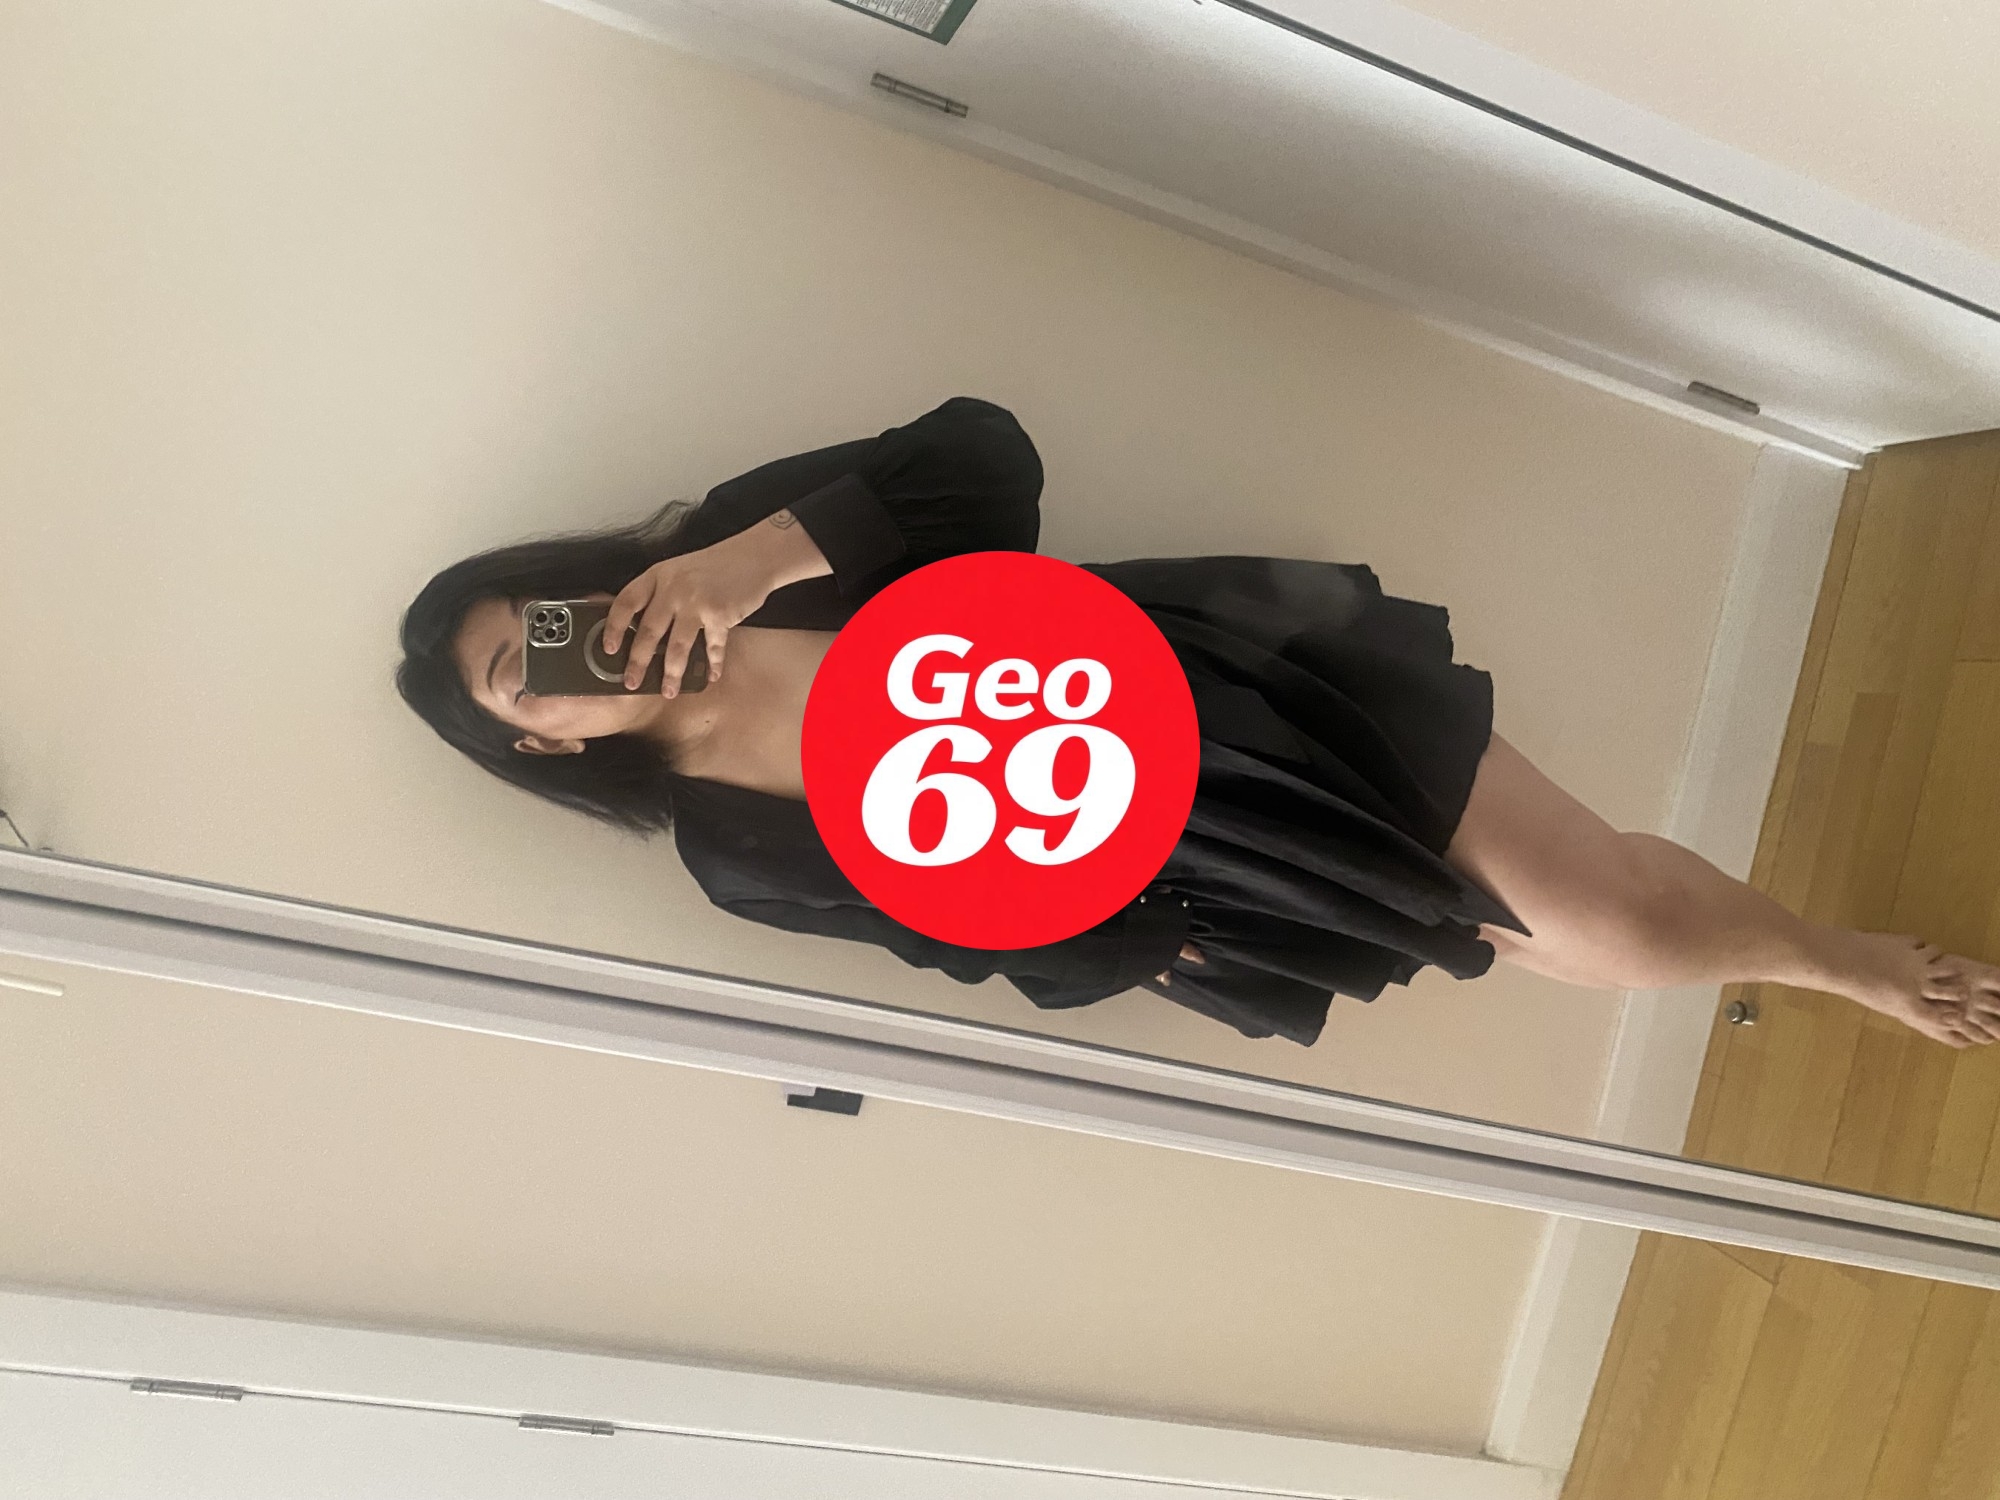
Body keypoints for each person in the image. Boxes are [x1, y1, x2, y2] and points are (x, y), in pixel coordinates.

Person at [398, 397, 2000, 1048]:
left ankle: (1833, 962)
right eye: (521, 685)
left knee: (1604, 915)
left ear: (580, 583)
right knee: (1536, 937)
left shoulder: (747, 549)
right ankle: (1812, 956)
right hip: (1194, 853)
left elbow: (989, 463)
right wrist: (1154, 951)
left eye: (541, 623)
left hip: (1227, 692)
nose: (563, 663)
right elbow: (951, 932)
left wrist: (759, 559)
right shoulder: (732, 852)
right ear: (548, 747)